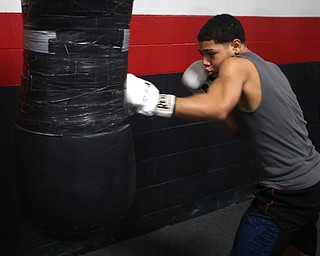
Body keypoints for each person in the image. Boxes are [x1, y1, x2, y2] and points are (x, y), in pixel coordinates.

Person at [125, 14, 320, 256]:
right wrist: (208, 90)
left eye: (212, 53)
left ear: (236, 46)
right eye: (202, 54)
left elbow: (216, 107)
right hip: (312, 181)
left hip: (284, 193)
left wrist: (154, 102)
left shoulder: (235, 64)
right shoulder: (270, 68)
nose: (205, 62)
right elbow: (245, 131)